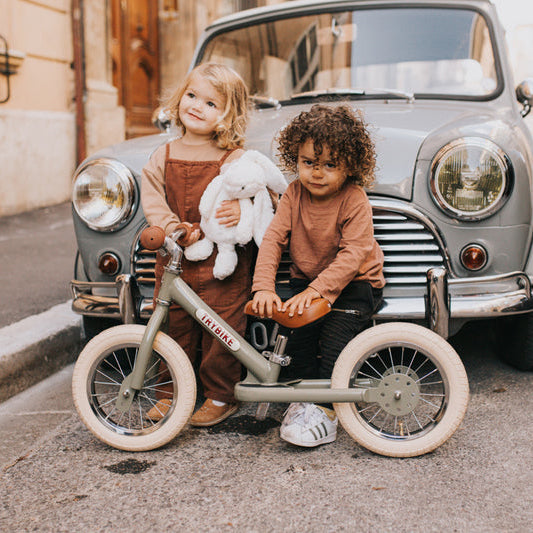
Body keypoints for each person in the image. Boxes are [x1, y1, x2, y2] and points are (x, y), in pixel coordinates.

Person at [252, 104, 385, 447]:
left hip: (356, 284)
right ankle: (302, 399)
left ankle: (326, 410)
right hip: (307, 281)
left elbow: (354, 255)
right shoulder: (294, 194)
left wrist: (319, 291)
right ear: (295, 158)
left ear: (350, 166)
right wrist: (264, 287)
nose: (317, 173)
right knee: (296, 338)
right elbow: (272, 240)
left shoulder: (354, 199)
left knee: (334, 343)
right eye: (309, 162)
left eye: (330, 165)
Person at [141, 62, 253, 426]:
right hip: (175, 257)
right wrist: (172, 228)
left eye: (211, 103)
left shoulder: (233, 157)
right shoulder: (165, 154)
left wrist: (240, 208)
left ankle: (221, 395)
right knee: (172, 326)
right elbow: (153, 197)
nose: (196, 106)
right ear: (179, 98)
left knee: (223, 328)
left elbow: (256, 190)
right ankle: (169, 391)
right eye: (192, 96)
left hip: (223, 261)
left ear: (228, 114)